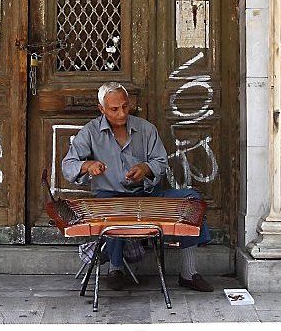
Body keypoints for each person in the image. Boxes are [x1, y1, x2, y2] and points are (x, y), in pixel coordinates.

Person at [61, 81, 213, 292]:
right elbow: (68, 165)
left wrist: (145, 168)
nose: (122, 113)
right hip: (111, 197)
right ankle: (115, 269)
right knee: (113, 210)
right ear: (102, 109)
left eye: (125, 106)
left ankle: (188, 273)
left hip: (147, 195)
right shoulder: (90, 132)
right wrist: (88, 165)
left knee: (191, 199)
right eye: (114, 109)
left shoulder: (145, 129)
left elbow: (161, 162)